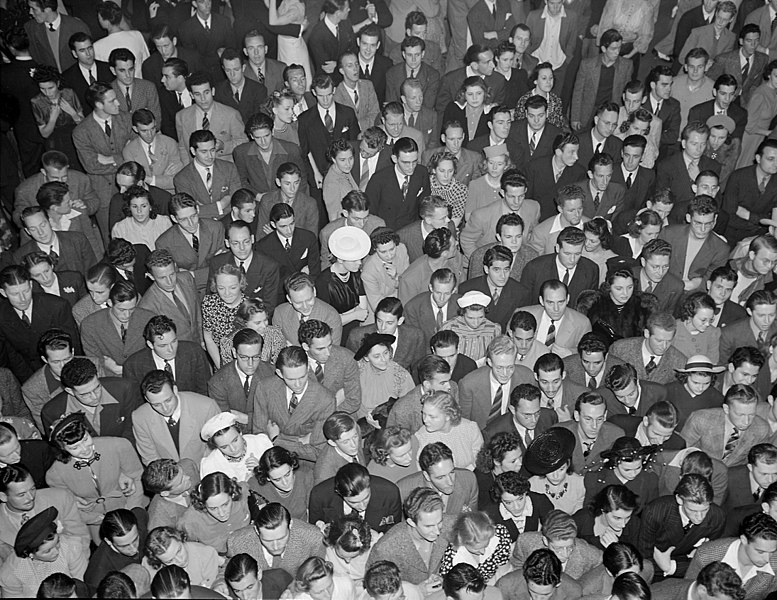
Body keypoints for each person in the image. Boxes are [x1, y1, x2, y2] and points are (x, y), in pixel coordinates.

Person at [46, 413, 147, 540]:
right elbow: (69, 508)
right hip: (94, 521)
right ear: (62, 448)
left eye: (85, 439)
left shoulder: (119, 446)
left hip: (129, 505)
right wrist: (99, 519)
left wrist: (132, 512)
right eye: (75, 447)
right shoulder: (55, 473)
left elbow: (137, 478)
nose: (85, 449)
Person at [252, 346, 337, 461]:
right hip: (272, 456)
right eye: (291, 379)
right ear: (279, 373)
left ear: (308, 369)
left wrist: (277, 439)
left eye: (302, 377)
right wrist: (299, 441)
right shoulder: (265, 388)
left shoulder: (326, 400)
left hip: (304, 462)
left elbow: (318, 452)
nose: (298, 384)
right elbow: (259, 436)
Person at [638, 473, 726, 580]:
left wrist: (670, 567)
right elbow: (644, 557)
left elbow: (708, 560)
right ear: (679, 499)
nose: (700, 517)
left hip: (688, 573)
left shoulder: (717, 517)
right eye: (693, 510)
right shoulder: (655, 511)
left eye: (705, 510)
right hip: (654, 571)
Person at [366, 486, 453, 592]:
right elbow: (373, 588)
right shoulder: (385, 549)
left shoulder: (451, 524)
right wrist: (416, 590)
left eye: (439, 522)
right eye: (428, 526)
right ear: (411, 522)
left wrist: (444, 576)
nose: (437, 531)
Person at [133, 369, 220, 466]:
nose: (165, 409)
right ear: (147, 399)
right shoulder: (140, 418)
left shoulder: (206, 407)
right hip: (168, 476)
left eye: (168, 400)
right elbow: (150, 458)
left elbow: (217, 447)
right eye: (156, 405)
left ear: (175, 390)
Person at [40, 355, 138, 441]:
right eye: (85, 394)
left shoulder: (123, 389)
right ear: (70, 391)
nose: (95, 397)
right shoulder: (52, 412)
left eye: (97, 388)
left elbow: (132, 428)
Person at [0, 507, 88, 599]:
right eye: (47, 551)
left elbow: (81, 586)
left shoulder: (71, 548)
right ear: (30, 554)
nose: (57, 552)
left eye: (57, 543)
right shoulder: (12, 572)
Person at [156, 193, 225, 295]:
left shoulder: (216, 228)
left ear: (197, 209)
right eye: (183, 219)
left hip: (218, 288)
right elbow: (173, 279)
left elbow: (223, 266)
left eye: (193, 216)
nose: (191, 223)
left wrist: (192, 274)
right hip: (187, 292)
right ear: (174, 219)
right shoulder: (164, 243)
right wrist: (211, 268)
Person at [511, 508, 603, 580]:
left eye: (570, 547)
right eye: (558, 549)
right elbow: (518, 564)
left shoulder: (587, 552)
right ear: (545, 541)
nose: (565, 554)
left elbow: (602, 566)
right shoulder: (525, 542)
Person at [177, 471, 251, 555]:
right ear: (202, 504)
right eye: (213, 508)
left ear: (233, 495)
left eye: (225, 504)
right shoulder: (190, 521)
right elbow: (189, 550)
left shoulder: (242, 492)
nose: (222, 513)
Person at [317, 226, 371, 341]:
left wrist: (344, 316)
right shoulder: (323, 281)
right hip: (335, 334)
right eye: (354, 260)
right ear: (340, 259)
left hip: (355, 330)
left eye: (360, 259)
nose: (359, 263)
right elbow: (328, 321)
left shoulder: (356, 273)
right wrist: (354, 314)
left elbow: (363, 309)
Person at [609, 312, 689, 385]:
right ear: (647, 333)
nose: (664, 346)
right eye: (659, 340)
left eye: (669, 341)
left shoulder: (680, 362)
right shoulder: (619, 349)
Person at [583, 436, 659, 512]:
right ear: (615, 463)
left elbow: (652, 512)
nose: (633, 474)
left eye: (638, 468)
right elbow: (588, 511)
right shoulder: (595, 479)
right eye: (627, 470)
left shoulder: (649, 480)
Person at [31, 65, 84, 171]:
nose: (47, 93)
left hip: (75, 138)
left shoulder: (69, 94)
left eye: (51, 88)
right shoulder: (37, 101)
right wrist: (52, 119)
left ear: (58, 83)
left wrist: (73, 113)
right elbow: (44, 134)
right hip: (54, 143)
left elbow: (84, 124)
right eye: (42, 89)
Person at [523, 427, 586, 515]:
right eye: (551, 471)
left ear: (568, 464)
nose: (556, 476)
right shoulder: (532, 485)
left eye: (561, 469)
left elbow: (578, 516)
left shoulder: (579, 483)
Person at [355, 332, 415, 422]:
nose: (383, 359)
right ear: (366, 358)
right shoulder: (358, 371)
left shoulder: (401, 375)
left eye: (385, 353)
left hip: (389, 422)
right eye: (377, 356)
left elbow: (409, 406)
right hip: (360, 421)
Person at [83, 508, 147, 591]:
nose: (134, 549)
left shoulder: (138, 520)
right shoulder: (98, 576)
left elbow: (140, 512)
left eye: (135, 540)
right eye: (124, 546)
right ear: (108, 541)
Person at [273, 272, 343, 346]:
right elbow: (275, 346)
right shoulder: (280, 313)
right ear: (289, 299)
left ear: (314, 292)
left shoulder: (331, 316)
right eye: (298, 303)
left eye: (309, 300)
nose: (305, 307)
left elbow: (332, 352)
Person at [199, 412, 272, 481]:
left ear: (240, 432)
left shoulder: (261, 443)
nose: (233, 449)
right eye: (224, 447)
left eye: (235, 440)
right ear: (216, 446)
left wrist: (263, 470)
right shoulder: (210, 466)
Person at [248, 446, 315, 521]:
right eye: (277, 479)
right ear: (267, 478)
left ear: (292, 465)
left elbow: (313, 515)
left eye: (287, 474)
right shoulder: (255, 486)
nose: (285, 483)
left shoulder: (306, 477)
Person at [144, 526, 224, 588]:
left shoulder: (207, 554)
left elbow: (209, 592)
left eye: (179, 551)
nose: (180, 560)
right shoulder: (149, 566)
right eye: (170, 561)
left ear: (181, 538)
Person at [587, 269, 652, 343]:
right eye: (619, 288)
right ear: (608, 287)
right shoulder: (594, 307)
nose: (625, 293)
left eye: (630, 287)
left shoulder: (644, 307)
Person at [203, 264, 249, 366]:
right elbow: (208, 338)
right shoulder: (209, 303)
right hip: (219, 359)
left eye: (232, 288)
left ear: (241, 284)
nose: (227, 293)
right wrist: (221, 366)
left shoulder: (249, 306)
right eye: (221, 288)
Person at [496, 547, 583, 600]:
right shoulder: (504, 585)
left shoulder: (573, 591)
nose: (537, 599)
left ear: (558, 583)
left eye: (545, 594)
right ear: (526, 577)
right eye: (533, 591)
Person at [440, 291, 502, 364]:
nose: (476, 322)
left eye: (480, 317)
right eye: (470, 318)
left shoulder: (493, 329)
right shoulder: (449, 327)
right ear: (462, 313)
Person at [111, 186, 172, 251]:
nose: (139, 211)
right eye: (134, 206)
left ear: (150, 207)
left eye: (144, 206)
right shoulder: (119, 229)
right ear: (129, 208)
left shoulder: (164, 223)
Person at [142, 458, 197, 531]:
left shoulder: (188, 465)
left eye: (184, 473)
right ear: (165, 493)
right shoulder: (158, 522)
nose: (188, 477)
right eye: (181, 482)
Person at [314, 412, 366, 484]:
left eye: (355, 437)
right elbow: (324, 494)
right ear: (332, 443)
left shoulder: (353, 430)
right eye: (346, 442)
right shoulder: (324, 473)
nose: (354, 445)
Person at [515, 64, 568, 132]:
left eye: (551, 78)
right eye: (544, 78)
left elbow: (558, 127)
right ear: (535, 81)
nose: (548, 82)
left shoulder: (556, 100)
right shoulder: (524, 101)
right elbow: (519, 127)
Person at [673, 292, 721, 364]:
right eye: (703, 320)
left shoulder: (713, 333)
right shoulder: (674, 328)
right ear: (690, 315)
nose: (707, 324)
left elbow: (712, 362)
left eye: (711, 319)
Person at [224, 552, 293, 600]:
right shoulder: (227, 595)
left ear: (259, 574)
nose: (245, 597)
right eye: (237, 591)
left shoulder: (281, 579)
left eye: (249, 587)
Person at [323, 139, 360, 222]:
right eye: (342, 160)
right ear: (333, 159)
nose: (348, 164)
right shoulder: (331, 183)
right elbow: (333, 218)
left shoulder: (344, 170)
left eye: (350, 158)